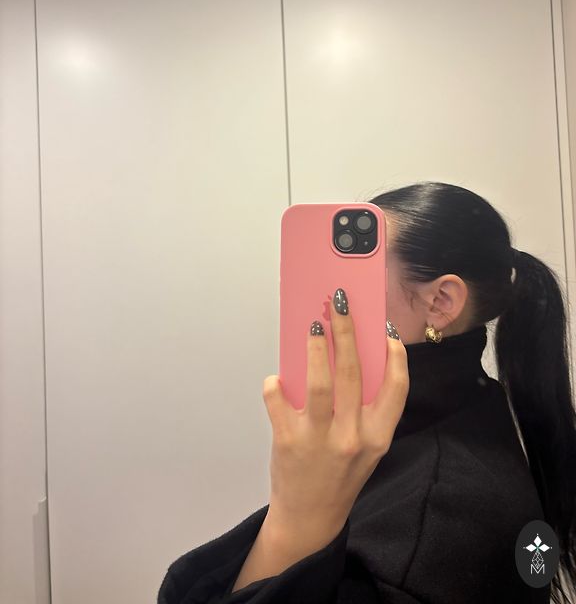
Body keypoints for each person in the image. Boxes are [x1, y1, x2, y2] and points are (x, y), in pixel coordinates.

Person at [157, 181, 576, 603]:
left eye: (355, 276)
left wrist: (297, 514)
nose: (329, 299)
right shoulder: (459, 410)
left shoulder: (438, 519)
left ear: (440, 302)